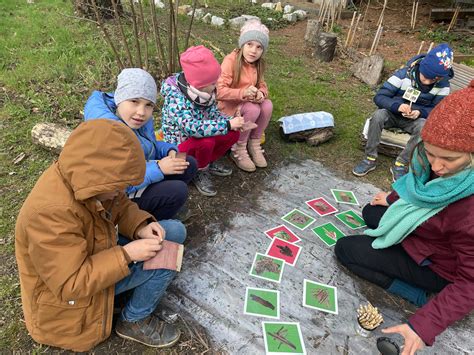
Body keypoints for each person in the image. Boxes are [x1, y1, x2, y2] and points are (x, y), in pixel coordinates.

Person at [15, 120, 187, 351]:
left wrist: (140, 225)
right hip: (69, 304)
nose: (121, 191)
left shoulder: (86, 178)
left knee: (174, 231)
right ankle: (133, 321)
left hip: (92, 261)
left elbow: (119, 203)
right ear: (100, 178)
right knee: (165, 258)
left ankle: (121, 296)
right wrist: (126, 254)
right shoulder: (50, 214)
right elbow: (71, 284)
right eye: (119, 186)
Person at [336, 81, 473, 354]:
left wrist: (424, 326)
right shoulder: (437, 165)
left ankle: (416, 294)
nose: (436, 166)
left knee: (347, 249)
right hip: (424, 232)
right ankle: (394, 234)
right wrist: (391, 199)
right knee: (371, 212)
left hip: (437, 266)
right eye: (430, 153)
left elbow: (470, 281)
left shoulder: (469, 211)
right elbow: (419, 186)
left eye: (448, 159)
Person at [84, 68, 197, 220]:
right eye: (134, 101)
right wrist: (159, 169)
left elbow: (148, 144)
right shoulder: (108, 133)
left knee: (187, 163)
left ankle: (165, 201)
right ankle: (147, 222)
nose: (141, 112)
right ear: (119, 98)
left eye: (148, 105)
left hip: (142, 171)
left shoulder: (132, 119)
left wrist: (168, 151)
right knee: (178, 191)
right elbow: (116, 186)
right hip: (119, 197)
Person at [353, 43, 454, 182]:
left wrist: (419, 112)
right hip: (392, 114)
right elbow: (380, 97)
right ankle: (370, 158)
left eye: (434, 79)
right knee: (378, 116)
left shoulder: (443, 86)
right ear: (421, 67)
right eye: (426, 76)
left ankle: (401, 163)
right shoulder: (403, 75)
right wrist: (397, 106)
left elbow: (438, 111)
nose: (428, 81)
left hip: (415, 120)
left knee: (424, 127)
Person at [161, 45, 246, 197]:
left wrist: (231, 121)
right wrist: (226, 124)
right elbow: (192, 128)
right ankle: (199, 171)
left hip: (200, 136)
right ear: (199, 84)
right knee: (207, 142)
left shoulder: (205, 93)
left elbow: (214, 115)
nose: (216, 85)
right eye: (213, 83)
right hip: (178, 148)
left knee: (232, 134)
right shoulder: (176, 98)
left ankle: (208, 162)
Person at [217, 19, 272, 172]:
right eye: (249, 44)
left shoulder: (258, 64)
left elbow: (262, 84)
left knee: (267, 105)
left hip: (247, 104)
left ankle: (254, 143)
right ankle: (238, 147)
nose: (253, 51)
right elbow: (219, 91)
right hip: (228, 108)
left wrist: (261, 93)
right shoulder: (231, 61)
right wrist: (243, 93)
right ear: (242, 44)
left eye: (259, 47)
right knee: (253, 109)